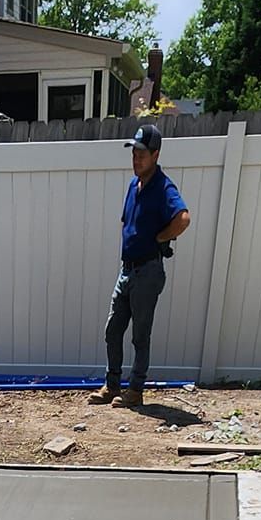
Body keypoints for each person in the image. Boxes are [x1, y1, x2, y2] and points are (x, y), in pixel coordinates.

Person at [90, 124, 191, 409]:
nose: (136, 159)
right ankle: (112, 385)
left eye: (142, 154)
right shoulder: (134, 186)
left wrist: (160, 237)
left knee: (140, 335)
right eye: (134, 153)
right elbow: (126, 221)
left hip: (147, 271)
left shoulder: (163, 187)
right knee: (113, 330)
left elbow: (182, 219)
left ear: (156, 154)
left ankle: (135, 390)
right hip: (127, 269)